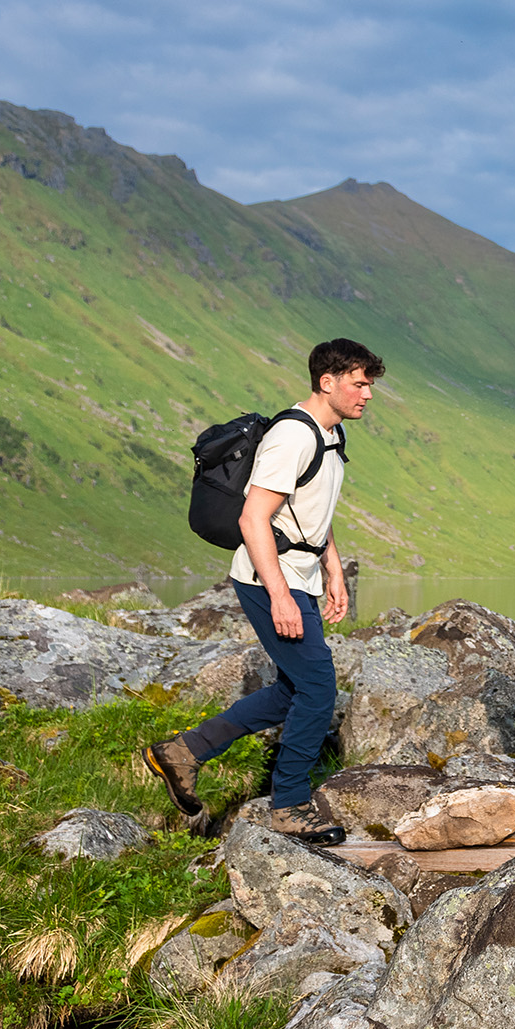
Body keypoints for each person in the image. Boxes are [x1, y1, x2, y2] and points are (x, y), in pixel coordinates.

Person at [144, 338, 383, 845]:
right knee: (319, 688)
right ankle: (290, 804)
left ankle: (183, 753)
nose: (367, 394)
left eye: (369, 385)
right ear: (328, 381)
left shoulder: (330, 435)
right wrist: (279, 596)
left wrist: (333, 571)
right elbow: (254, 518)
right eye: (360, 384)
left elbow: (316, 510)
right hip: (268, 577)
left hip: (301, 575)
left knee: (291, 692)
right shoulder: (292, 437)